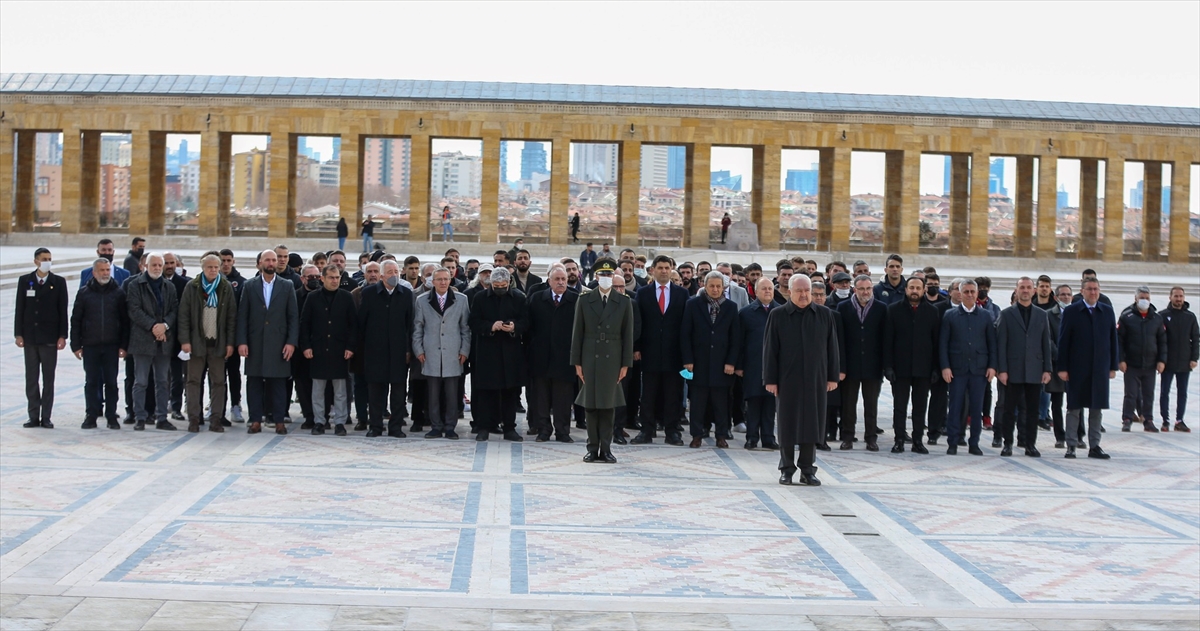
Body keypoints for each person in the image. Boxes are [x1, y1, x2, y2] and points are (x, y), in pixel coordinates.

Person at [765, 275, 839, 487]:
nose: (804, 294)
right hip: (787, 379)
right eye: (799, 290)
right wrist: (770, 379)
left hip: (816, 378)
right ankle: (787, 469)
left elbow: (832, 347)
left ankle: (808, 469)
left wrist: (833, 375)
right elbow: (770, 350)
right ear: (790, 291)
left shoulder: (824, 314)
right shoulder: (778, 315)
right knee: (788, 425)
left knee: (812, 425)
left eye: (807, 290)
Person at [571, 259, 635, 463]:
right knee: (590, 404)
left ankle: (606, 448)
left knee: (608, 405)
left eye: (609, 276)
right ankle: (592, 447)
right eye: (602, 275)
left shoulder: (623, 301)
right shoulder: (584, 299)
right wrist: (577, 362)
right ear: (596, 277)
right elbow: (577, 333)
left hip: (612, 357)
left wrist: (625, 364)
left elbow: (628, 335)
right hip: (590, 355)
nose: (606, 279)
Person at [237, 250, 299, 436]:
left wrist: (291, 342)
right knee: (254, 382)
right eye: (268, 260)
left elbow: (293, 317)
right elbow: (243, 316)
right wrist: (242, 341)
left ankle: (279, 421)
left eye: (274, 260)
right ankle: (256, 420)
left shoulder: (286, 286)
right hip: (255, 343)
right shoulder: (249, 286)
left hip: (279, 343)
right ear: (260, 263)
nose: (271, 263)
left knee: (278, 384)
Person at [1057, 277, 1119, 459]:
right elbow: (1064, 341)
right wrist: (1062, 367)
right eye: (1090, 289)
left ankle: (1095, 446)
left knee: (1096, 408)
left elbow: (1112, 340)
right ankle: (1071, 445)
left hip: (1100, 368)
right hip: (1077, 368)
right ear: (1082, 291)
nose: (1093, 292)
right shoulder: (1072, 311)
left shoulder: (1106, 311)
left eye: (1096, 289)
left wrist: (1113, 365)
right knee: (1074, 408)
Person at [632, 255, 690, 446]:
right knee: (648, 394)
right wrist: (637, 347)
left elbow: (686, 326)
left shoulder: (682, 294)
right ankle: (646, 431)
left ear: (672, 269)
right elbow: (638, 322)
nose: (664, 271)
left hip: (674, 355)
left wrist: (686, 355)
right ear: (653, 270)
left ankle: (672, 431)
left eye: (667, 268)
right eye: (660, 268)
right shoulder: (644, 293)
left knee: (673, 394)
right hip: (649, 353)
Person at [177, 254, 237, 433]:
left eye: (216, 267)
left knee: (219, 382)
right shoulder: (192, 287)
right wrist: (185, 341)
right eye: (209, 267)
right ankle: (194, 418)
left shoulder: (225, 287)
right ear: (203, 268)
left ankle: (216, 419)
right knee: (193, 381)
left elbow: (231, 318)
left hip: (218, 344)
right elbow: (184, 315)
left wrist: (230, 343)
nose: (213, 270)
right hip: (196, 343)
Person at [682, 271, 741, 449]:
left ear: (723, 287)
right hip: (698, 363)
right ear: (704, 286)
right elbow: (685, 334)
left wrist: (731, 362)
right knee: (698, 403)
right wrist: (688, 360)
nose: (715, 289)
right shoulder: (693, 304)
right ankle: (697, 435)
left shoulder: (730, 307)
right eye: (711, 286)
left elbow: (735, 337)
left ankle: (721, 435)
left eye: (718, 286)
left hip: (722, 365)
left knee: (721, 403)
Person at [882, 276, 940, 454]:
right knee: (900, 406)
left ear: (923, 290)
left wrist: (936, 368)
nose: (914, 291)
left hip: (923, 368)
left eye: (918, 288)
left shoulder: (933, 311)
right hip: (900, 368)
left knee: (920, 407)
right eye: (911, 287)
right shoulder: (893, 310)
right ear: (906, 289)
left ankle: (917, 441)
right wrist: (888, 366)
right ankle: (899, 439)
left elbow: (936, 342)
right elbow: (887, 340)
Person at [996, 277, 1053, 457]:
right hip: (1013, 370)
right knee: (1009, 409)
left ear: (1034, 290)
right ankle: (1008, 443)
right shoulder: (1006, 314)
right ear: (1017, 290)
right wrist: (1002, 370)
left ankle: (1030, 444)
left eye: (1029, 287)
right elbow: (1001, 344)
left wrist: (1047, 369)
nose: (1026, 290)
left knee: (1032, 410)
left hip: (1035, 370)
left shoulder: (1042, 315)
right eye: (1022, 287)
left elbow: (1046, 343)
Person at [469, 267, 529, 441]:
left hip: (511, 353)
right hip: (487, 352)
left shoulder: (518, 297)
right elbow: (473, 322)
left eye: (503, 285)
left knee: (510, 393)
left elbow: (526, 321)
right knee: (486, 393)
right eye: (497, 286)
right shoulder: (480, 298)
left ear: (509, 283)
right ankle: (484, 427)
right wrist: (491, 327)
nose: (500, 288)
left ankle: (509, 428)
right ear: (491, 284)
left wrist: (514, 327)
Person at [939, 279, 998, 455]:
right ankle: (953, 442)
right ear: (960, 293)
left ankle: (974, 443)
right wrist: (945, 367)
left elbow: (992, 343)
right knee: (955, 407)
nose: (970, 295)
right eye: (966, 292)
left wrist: (992, 366)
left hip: (979, 370)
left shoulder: (986, 315)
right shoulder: (950, 315)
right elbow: (943, 343)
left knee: (976, 407)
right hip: (957, 369)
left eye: (973, 291)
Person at [412, 267, 471, 439]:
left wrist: (464, 350)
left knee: (452, 395)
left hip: (453, 353)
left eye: (446, 279)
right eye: (439, 279)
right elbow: (417, 328)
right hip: (431, 353)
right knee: (433, 393)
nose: (443, 282)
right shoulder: (422, 300)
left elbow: (465, 329)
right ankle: (436, 426)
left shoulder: (461, 299)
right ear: (433, 281)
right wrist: (419, 350)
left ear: (450, 280)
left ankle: (450, 426)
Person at [300, 264, 358, 436]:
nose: (335, 281)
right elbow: (305, 324)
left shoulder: (346, 297)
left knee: (340, 390)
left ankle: (340, 422)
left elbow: (353, 325)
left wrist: (350, 347)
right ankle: (319, 421)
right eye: (331, 277)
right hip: (318, 349)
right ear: (322, 278)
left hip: (339, 350)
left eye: (337, 277)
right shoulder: (313, 297)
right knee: (318, 389)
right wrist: (306, 346)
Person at [358, 260, 415, 438]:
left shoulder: (405, 294)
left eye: (396, 271)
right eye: (389, 272)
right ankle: (375, 426)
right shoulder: (368, 293)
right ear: (382, 275)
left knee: (398, 392)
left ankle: (395, 427)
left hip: (398, 352)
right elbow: (362, 324)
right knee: (375, 392)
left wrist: (408, 350)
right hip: (375, 352)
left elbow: (409, 324)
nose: (394, 275)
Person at [71, 257, 129, 430]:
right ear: (94, 272)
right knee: (91, 382)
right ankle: (91, 414)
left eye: (107, 270)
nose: (105, 273)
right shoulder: (84, 293)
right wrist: (76, 344)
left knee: (111, 382)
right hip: (91, 345)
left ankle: (111, 415)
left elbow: (125, 321)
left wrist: (123, 345)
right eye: (102, 270)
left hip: (112, 345)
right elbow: (76, 320)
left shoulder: (118, 293)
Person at [126, 253, 179, 431]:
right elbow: (134, 310)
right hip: (143, 340)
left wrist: (164, 326)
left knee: (162, 381)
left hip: (163, 341)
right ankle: (140, 417)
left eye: (159, 265)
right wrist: (153, 327)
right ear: (145, 266)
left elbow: (174, 310)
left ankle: (162, 417)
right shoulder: (135, 285)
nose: (157, 268)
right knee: (141, 381)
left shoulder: (169, 286)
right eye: (153, 265)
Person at [836, 275, 888, 451]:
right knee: (849, 404)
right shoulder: (843, 308)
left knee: (871, 404)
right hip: (850, 366)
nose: (865, 292)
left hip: (873, 365)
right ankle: (847, 437)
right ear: (854, 289)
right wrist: (841, 366)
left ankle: (871, 438)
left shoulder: (881, 308)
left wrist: (884, 365)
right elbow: (840, 340)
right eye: (861, 289)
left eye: (868, 289)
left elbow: (885, 339)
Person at [527, 268, 579, 443]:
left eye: (563, 279)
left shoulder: (575, 300)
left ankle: (562, 431)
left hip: (565, 358)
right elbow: (529, 325)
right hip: (540, 357)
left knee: (563, 399)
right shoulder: (537, 298)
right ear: (549, 281)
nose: (561, 282)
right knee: (541, 397)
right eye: (557, 279)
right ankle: (543, 430)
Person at [736, 278, 781, 450]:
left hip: (775, 366)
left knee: (770, 404)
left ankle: (769, 438)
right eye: (764, 288)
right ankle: (752, 437)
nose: (768, 291)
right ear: (756, 291)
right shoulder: (746, 313)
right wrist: (739, 365)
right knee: (753, 403)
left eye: (770, 288)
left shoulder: (781, 311)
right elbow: (739, 341)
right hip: (753, 365)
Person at [1117, 286, 1167, 433]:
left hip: (1150, 364)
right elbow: (1119, 340)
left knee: (1148, 394)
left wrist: (1162, 360)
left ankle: (1148, 420)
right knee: (1131, 393)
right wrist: (1121, 359)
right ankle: (1127, 419)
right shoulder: (1127, 317)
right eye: (1142, 298)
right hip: (1131, 363)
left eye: (1147, 298)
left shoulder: (1157, 318)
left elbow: (1162, 341)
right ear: (1136, 299)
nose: (1144, 301)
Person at [1160, 287, 1198, 432]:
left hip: (1184, 360)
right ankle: (1165, 420)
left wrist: (1194, 358)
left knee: (1182, 392)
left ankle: (1179, 420)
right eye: (1176, 296)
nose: (1178, 299)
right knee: (1165, 392)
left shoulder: (1190, 316)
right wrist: (1160, 360)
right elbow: (1159, 339)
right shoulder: (1162, 316)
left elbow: (1195, 339)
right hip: (1167, 361)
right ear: (1170, 297)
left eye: (1181, 296)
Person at [1045, 285, 1072, 447]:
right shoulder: (1049, 315)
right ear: (1055, 297)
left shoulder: (1077, 313)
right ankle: (1060, 436)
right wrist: (1061, 357)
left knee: (1076, 403)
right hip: (1056, 365)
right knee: (1056, 403)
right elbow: (1048, 340)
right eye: (1062, 295)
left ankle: (1077, 434)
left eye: (1068, 294)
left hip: (1074, 366)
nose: (1066, 297)